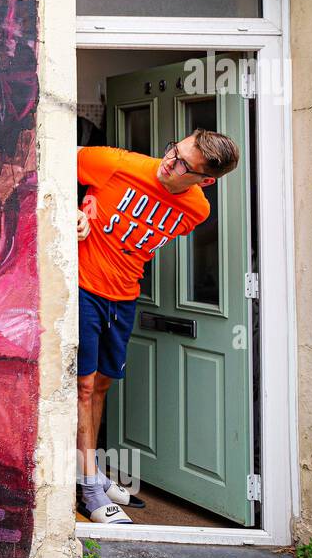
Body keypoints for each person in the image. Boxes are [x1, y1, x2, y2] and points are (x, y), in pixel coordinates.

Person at [75, 130, 240, 523]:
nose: (170, 162)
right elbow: (43, 161)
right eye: (174, 149)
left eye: (184, 164)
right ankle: (88, 490)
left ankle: (89, 469)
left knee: (101, 384)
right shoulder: (117, 163)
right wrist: (73, 207)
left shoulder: (197, 210)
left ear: (205, 180)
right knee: (81, 386)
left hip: (126, 295)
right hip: (83, 287)